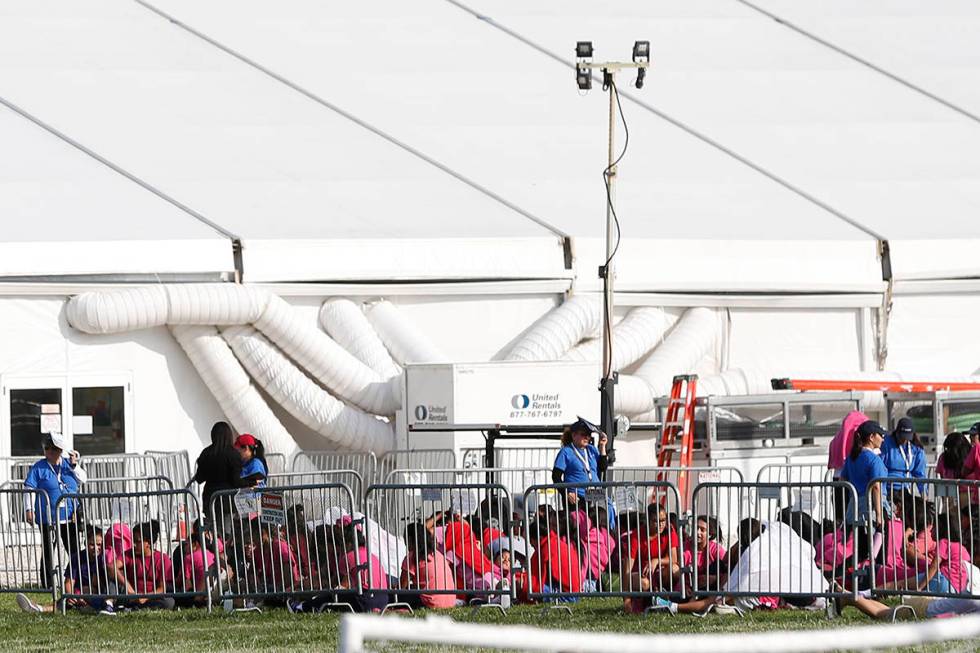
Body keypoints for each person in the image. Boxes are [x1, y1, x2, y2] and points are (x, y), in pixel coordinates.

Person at [23, 432, 87, 588]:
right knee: (48, 552)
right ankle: (48, 584)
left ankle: (76, 581)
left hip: (69, 517)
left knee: (74, 551)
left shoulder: (68, 465)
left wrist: (74, 465)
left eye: (53, 448)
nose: (49, 451)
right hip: (48, 518)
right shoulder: (39, 467)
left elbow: (83, 479)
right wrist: (29, 509)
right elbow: (29, 488)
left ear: (60, 450)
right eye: (47, 448)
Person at [16, 525, 116, 614]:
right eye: (92, 544)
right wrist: (71, 595)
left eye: (99, 545)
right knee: (66, 600)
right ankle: (39, 608)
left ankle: (40, 607)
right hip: (78, 593)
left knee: (88, 591)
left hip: (97, 594)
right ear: (86, 543)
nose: (96, 548)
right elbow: (68, 582)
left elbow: (99, 585)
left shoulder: (105, 558)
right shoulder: (77, 558)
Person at [117, 520, 175, 610]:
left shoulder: (163, 558)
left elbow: (161, 589)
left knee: (169, 602)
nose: (134, 544)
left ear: (148, 542)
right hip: (130, 596)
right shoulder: (128, 554)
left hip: (151, 597)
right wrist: (131, 592)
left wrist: (145, 597)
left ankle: (134, 608)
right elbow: (111, 566)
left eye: (138, 541)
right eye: (134, 541)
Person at [840, 420, 889, 525]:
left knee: (855, 539)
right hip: (870, 508)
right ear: (871, 437)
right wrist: (879, 515)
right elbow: (876, 487)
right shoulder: (874, 460)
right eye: (881, 435)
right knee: (878, 539)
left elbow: (842, 479)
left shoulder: (851, 457)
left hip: (853, 507)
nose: (883, 439)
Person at [398, 522, 456, 609]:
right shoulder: (438, 554)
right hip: (450, 602)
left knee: (391, 596)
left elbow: (402, 586)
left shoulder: (413, 556)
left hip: (431, 603)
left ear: (409, 539)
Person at [192, 421, 244, 517]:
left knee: (212, 529)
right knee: (226, 529)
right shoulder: (234, 454)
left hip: (210, 499)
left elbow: (199, 479)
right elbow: (236, 480)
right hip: (228, 499)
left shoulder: (206, 453)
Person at [552, 417, 608, 500]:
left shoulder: (592, 449)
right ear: (574, 435)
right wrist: (567, 493)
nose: (587, 437)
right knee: (596, 512)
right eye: (583, 434)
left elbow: (603, 467)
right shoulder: (566, 451)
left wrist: (602, 447)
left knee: (609, 508)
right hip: (578, 495)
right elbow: (556, 476)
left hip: (595, 493)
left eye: (588, 435)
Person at [879, 418, 927, 491]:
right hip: (890, 489)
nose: (904, 440)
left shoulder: (916, 448)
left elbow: (920, 474)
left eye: (908, 438)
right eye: (902, 437)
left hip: (906, 489)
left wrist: (923, 492)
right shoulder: (886, 444)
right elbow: (880, 470)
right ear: (897, 433)